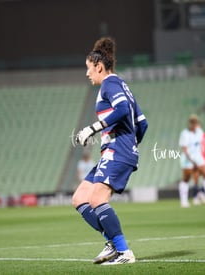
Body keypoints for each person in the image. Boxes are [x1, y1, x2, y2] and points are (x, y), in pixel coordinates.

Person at [72, 37, 148, 265]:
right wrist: (132, 145)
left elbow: (123, 109)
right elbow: (142, 124)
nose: (87, 74)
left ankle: (124, 252)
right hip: (116, 150)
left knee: (96, 199)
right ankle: (112, 243)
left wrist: (93, 128)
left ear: (99, 66)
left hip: (117, 150)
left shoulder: (110, 83)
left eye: (88, 69)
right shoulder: (123, 85)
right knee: (80, 198)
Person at [179, 115, 205, 208]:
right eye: (193, 122)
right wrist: (191, 160)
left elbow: (203, 144)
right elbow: (184, 148)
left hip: (198, 158)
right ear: (190, 123)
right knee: (186, 179)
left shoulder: (199, 132)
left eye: (196, 122)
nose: (195, 124)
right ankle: (184, 201)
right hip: (188, 159)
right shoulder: (185, 133)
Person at [192, 125, 205, 206]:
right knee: (196, 179)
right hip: (196, 160)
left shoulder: (204, 136)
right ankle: (195, 197)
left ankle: (202, 193)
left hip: (203, 160)